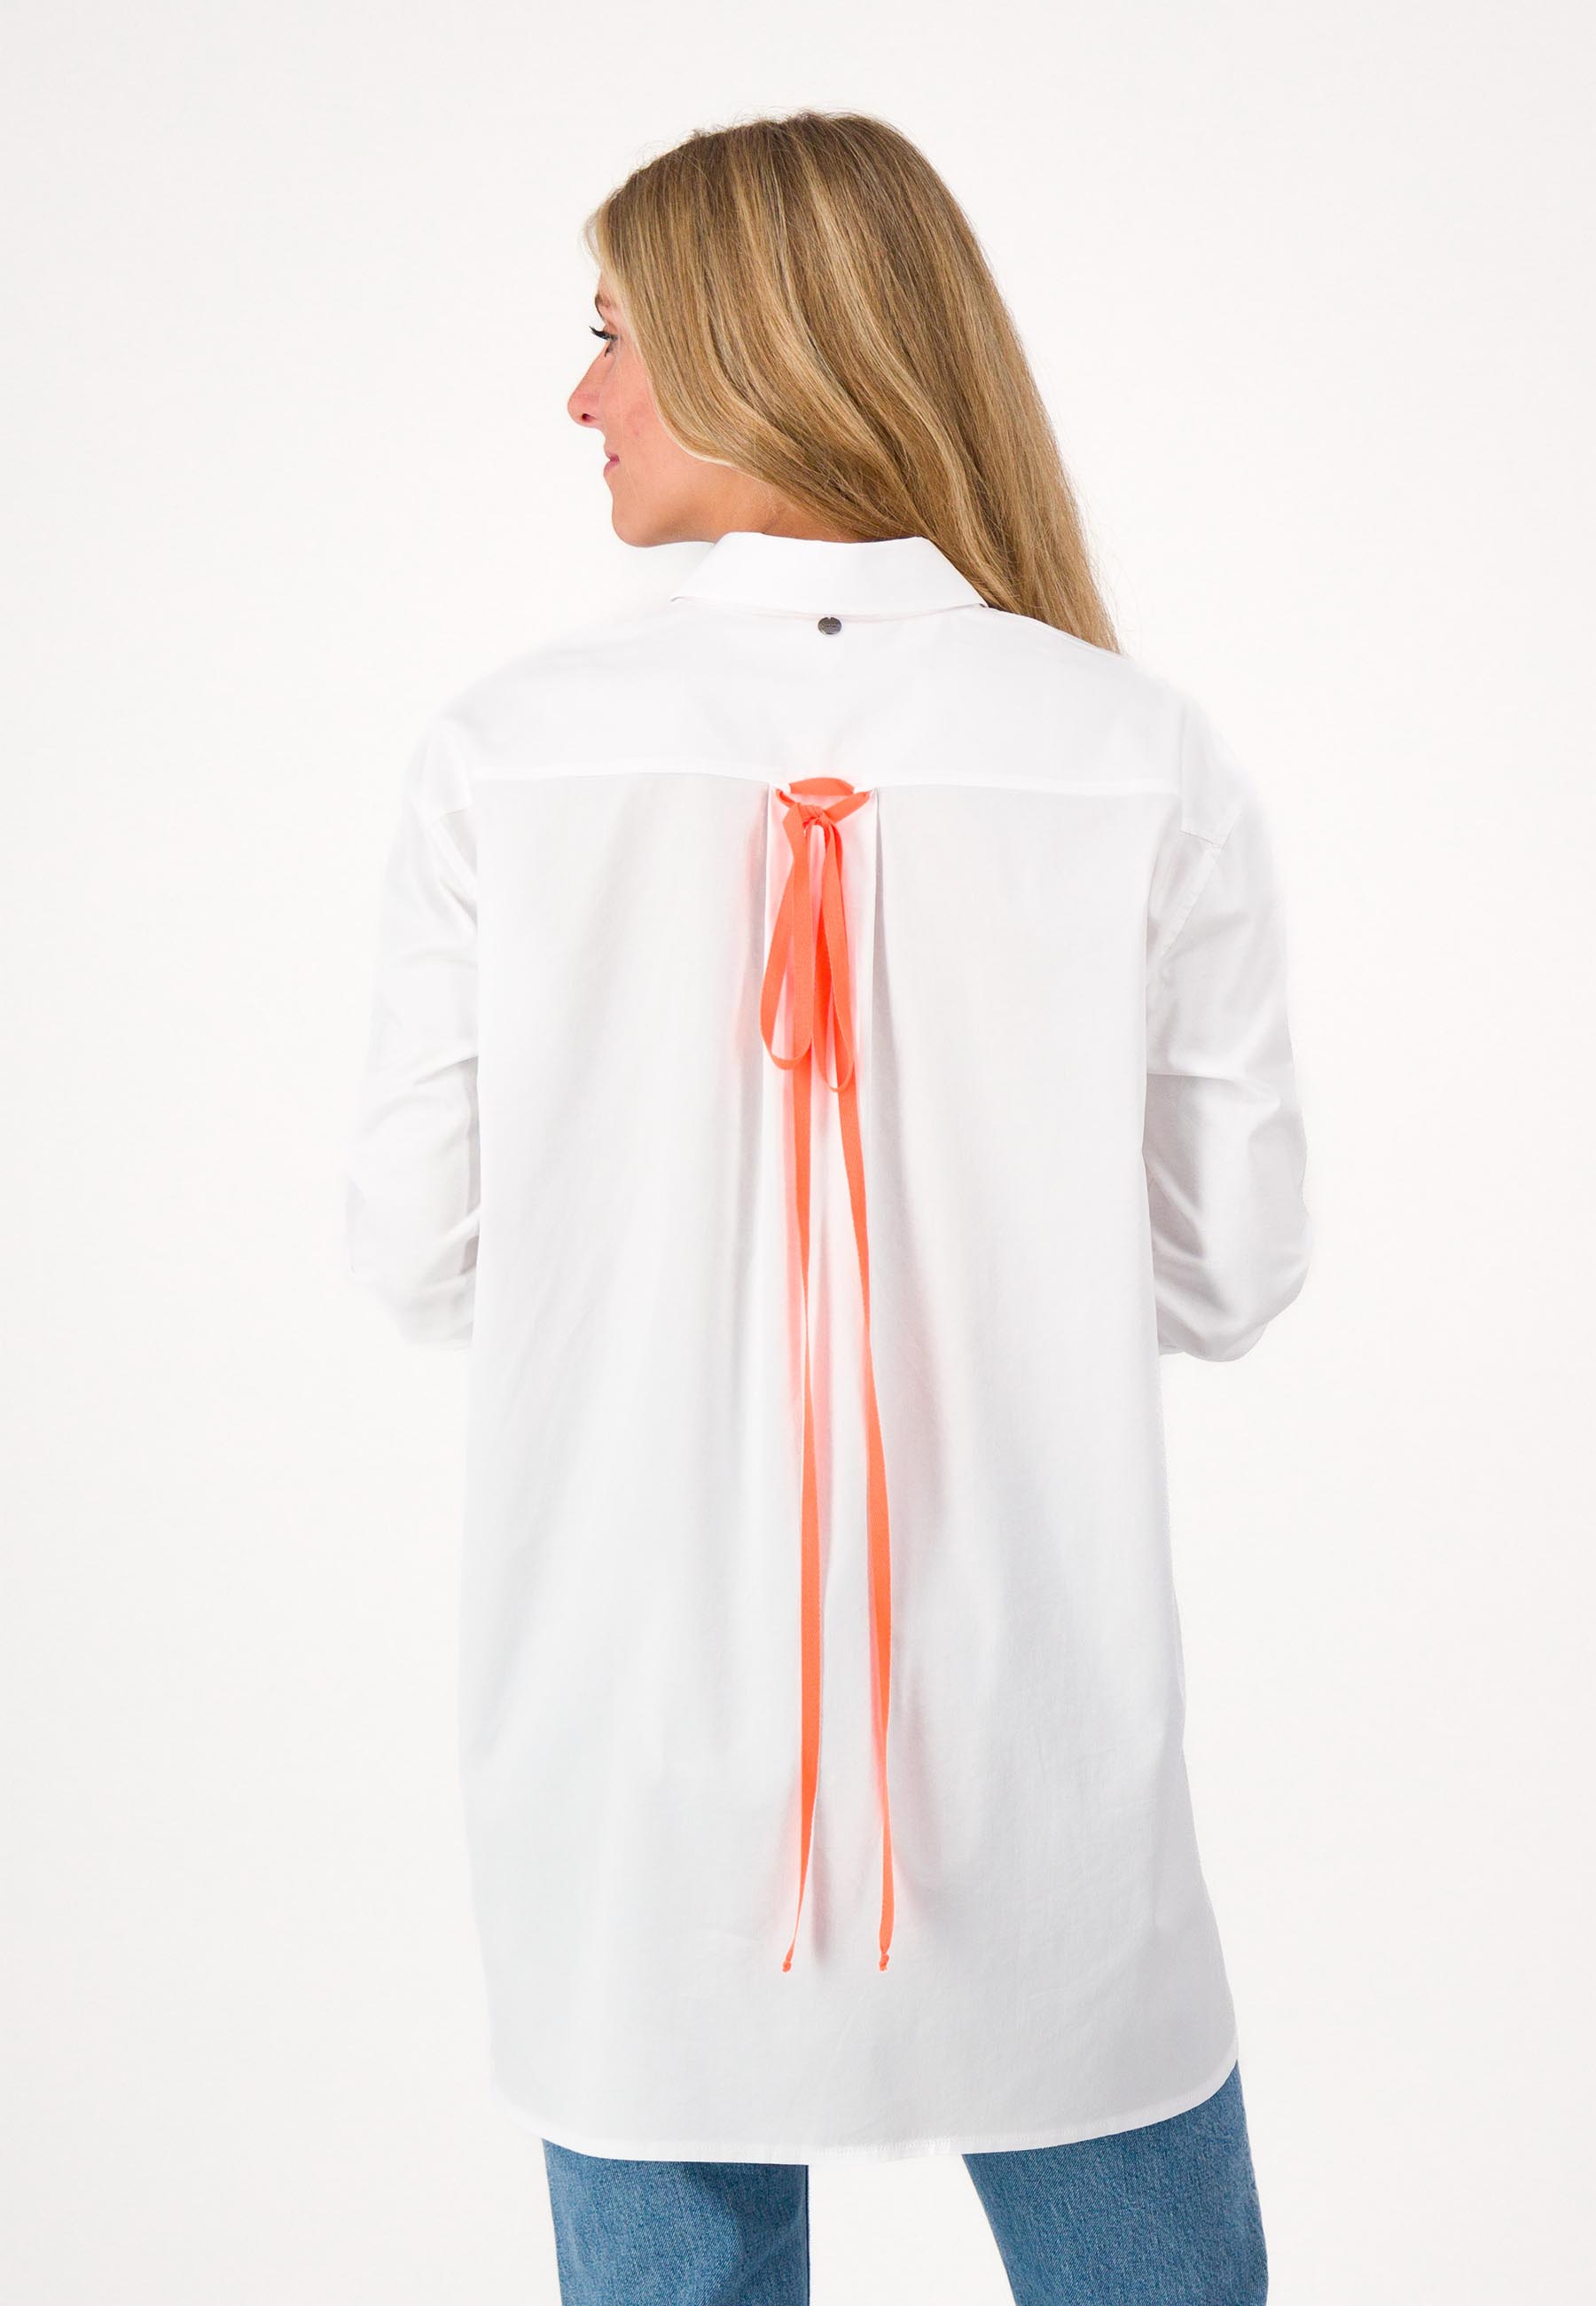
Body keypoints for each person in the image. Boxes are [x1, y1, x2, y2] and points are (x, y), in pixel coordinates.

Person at [343, 107, 1309, 2306]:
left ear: (756, 342)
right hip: (1035, 1718)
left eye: (615, 335)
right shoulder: (1134, 749)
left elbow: (414, 1248)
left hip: (626, 1717)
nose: (578, 395)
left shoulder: (506, 750)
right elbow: (1230, 1269)